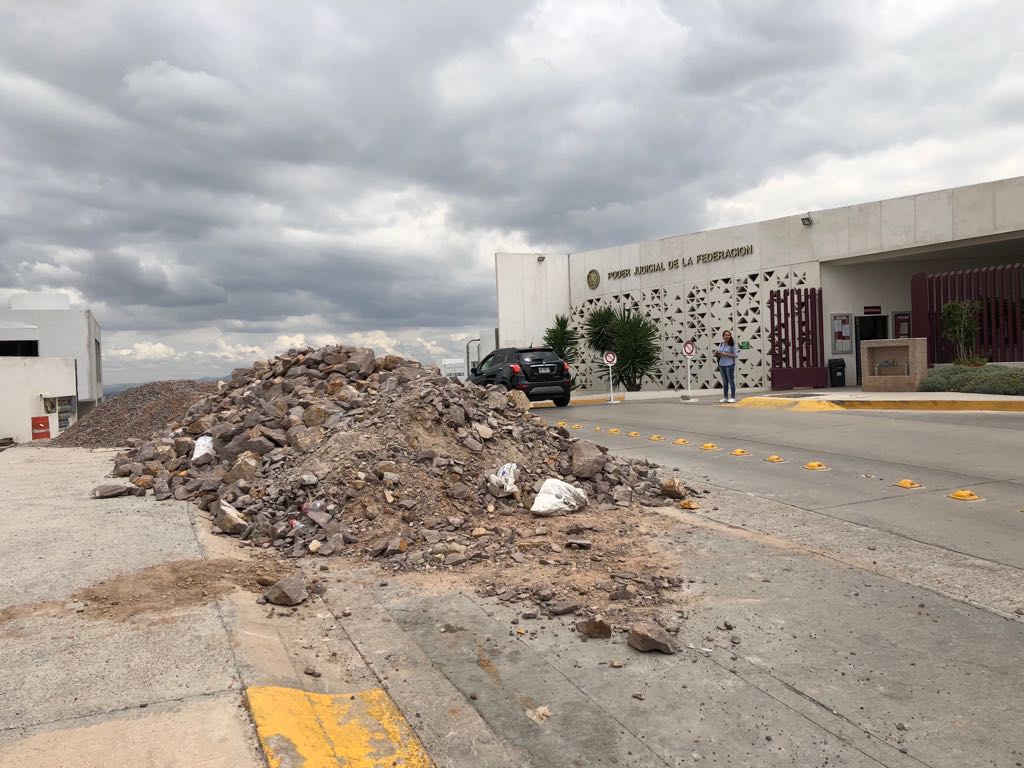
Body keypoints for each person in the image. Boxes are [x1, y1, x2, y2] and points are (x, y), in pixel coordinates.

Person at [714, 330, 738, 403]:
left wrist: (725, 354)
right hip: (721, 365)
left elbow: (736, 355)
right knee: (724, 382)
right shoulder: (721, 344)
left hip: (729, 365)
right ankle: (725, 397)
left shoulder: (732, 344)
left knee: (731, 381)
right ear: (723, 336)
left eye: (728, 335)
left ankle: (733, 397)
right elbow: (720, 352)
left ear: (730, 336)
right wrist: (718, 354)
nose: (727, 336)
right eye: (725, 335)